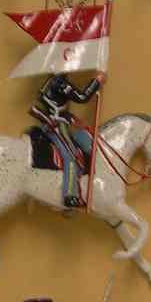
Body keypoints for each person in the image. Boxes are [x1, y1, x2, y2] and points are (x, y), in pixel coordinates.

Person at [30, 72, 106, 208]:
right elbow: (82, 97)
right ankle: (70, 195)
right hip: (56, 125)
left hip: (68, 122)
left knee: (91, 145)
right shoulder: (59, 83)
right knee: (71, 156)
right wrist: (96, 81)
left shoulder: (57, 80)